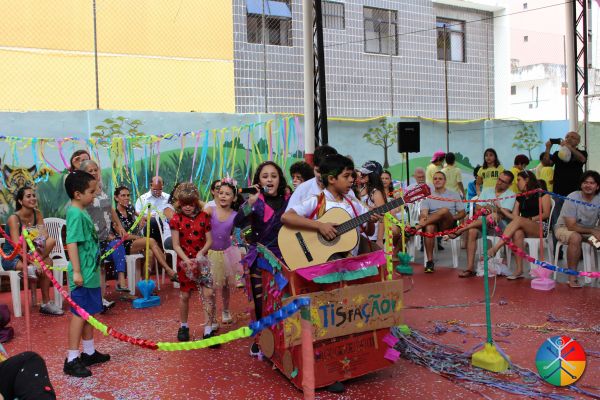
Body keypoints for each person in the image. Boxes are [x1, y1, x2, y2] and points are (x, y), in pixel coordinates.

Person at [234, 161, 289, 356]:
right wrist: (250, 203)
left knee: (283, 298)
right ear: (259, 181)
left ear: (280, 179)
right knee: (261, 301)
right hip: (260, 257)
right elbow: (237, 222)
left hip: (286, 256)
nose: (269, 180)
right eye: (265, 176)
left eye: (274, 176)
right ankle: (260, 340)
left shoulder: (289, 199)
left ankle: (282, 339)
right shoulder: (254, 200)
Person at [282, 154, 379, 256]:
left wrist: (371, 221)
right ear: (331, 179)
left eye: (352, 176)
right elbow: (286, 217)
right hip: (319, 258)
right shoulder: (317, 201)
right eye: (346, 176)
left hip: (349, 261)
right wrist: (320, 226)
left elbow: (369, 233)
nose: (351, 180)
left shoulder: (353, 204)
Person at [63, 171, 110, 378]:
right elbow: (72, 242)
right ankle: (72, 358)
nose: (94, 194)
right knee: (78, 315)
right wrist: (77, 272)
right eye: (91, 191)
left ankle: (89, 352)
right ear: (77, 194)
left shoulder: (81, 211)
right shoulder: (74, 213)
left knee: (88, 313)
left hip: (90, 273)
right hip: (82, 274)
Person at [1, 187, 63, 315]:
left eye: (34, 195)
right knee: (38, 264)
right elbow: (17, 247)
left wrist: (38, 240)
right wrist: (33, 262)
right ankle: (31, 268)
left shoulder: (37, 214)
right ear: (20, 201)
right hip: (13, 256)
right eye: (28, 196)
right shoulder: (14, 218)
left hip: (31, 252)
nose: (33, 198)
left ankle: (46, 304)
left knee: (50, 247)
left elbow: (44, 235)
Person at [170, 183, 215, 343]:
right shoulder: (176, 219)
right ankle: (183, 326)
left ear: (196, 202)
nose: (187, 207)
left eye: (190, 203)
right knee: (185, 295)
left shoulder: (204, 217)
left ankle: (208, 329)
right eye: (184, 204)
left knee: (208, 294)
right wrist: (187, 260)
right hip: (184, 262)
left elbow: (209, 240)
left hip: (202, 261)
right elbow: (176, 245)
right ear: (179, 203)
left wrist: (201, 253)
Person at [488, 171, 552, 279]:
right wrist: (501, 209)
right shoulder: (520, 197)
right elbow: (514, 217)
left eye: (519, 180)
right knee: (517, 232)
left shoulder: (542, 193)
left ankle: (496, 247)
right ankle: (519, 269)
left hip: (540, 226)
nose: (517, 183)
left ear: (527, 180)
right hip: (523, 225)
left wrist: (529, 219)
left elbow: (546, 213)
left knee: (519, 221)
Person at [79, 160, 125, 310]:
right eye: (90, 171)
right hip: (91, 239)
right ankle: (96, 300)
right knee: (97, 267)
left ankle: (119, 283)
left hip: (106, 236)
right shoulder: (82, 191)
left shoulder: (102, 187)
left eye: (95, 169)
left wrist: (118, 225)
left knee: (117, 246)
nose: (94, 173)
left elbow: (110, 209)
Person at [453, 171, 516, 277]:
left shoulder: (511, 194)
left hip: (501, 227)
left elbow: (504, 213)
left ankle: (462, 229)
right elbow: (477, 207)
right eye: (499, 179)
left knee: (493, 216)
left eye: (503, 182)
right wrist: (490, 208)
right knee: (472, 231)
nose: (499, 182)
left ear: (509, 184)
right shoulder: (487, 191)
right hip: (483, 224)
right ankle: (470, 268)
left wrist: (489, 208)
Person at [113, 186, 178, 288]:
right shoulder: (115, 214)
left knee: (150, 253)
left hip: (136, 241)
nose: (126, 198)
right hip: (123, 244)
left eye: (128, 195)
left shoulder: (130, 208)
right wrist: (139, 237)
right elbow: (124, 236)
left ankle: (145, 285)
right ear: (116, 198)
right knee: (150, 241)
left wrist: (141, 224)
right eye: (123, 196)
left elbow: (141, 219)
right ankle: (169, 270)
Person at [553, 170, 600, 288]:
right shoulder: (573, 197)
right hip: (565, 229)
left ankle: (597, 274)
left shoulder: (599, 199)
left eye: (592, 183)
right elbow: (571, 226)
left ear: (597, 186)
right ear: (581, 184)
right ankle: (572, 277)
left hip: (587, 233)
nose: (588, 185)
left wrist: (597, 232)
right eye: (585, 182)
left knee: (598, 242)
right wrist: (593, 230)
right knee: (575, 237)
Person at [205, 179, 241, 325]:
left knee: (225, 285)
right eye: (221, 193)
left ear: (234, 198)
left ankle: (225, 310)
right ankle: (212, 315)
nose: (223, 196)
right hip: (210, 253)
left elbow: (237, 233)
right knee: (211, 287)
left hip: (226, 254)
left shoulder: (235, 215)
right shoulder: (210, 210)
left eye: (227, 194)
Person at [416, 171, 465, 273]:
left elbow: (462, 213)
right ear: (433, 181)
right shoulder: (428, 195)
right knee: (429, 227)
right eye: (435, 179)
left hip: (448, 223)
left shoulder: (454, 194)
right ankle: (430, 262)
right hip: (433, 223)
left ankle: (418, 227)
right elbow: (424, 213)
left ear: (445, 181)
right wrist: (423, 217)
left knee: (444, 210)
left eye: (440, 179)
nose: (437, 180)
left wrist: (452, 217)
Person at [286, 145, 357, 211]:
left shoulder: (347, 193)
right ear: (313, 167)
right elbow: (287, 216)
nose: (321, 176)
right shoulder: (302, 190)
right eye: (318, 171)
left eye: (326, 172)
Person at [357, 160, 386, 249]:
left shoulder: (376, 193)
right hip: (362, 236)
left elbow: (382, 218)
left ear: (373, 176)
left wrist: (379, 240)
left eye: (364, 174)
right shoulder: (360, 190)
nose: (361, 175)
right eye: (361, 173)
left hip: (373, 238)